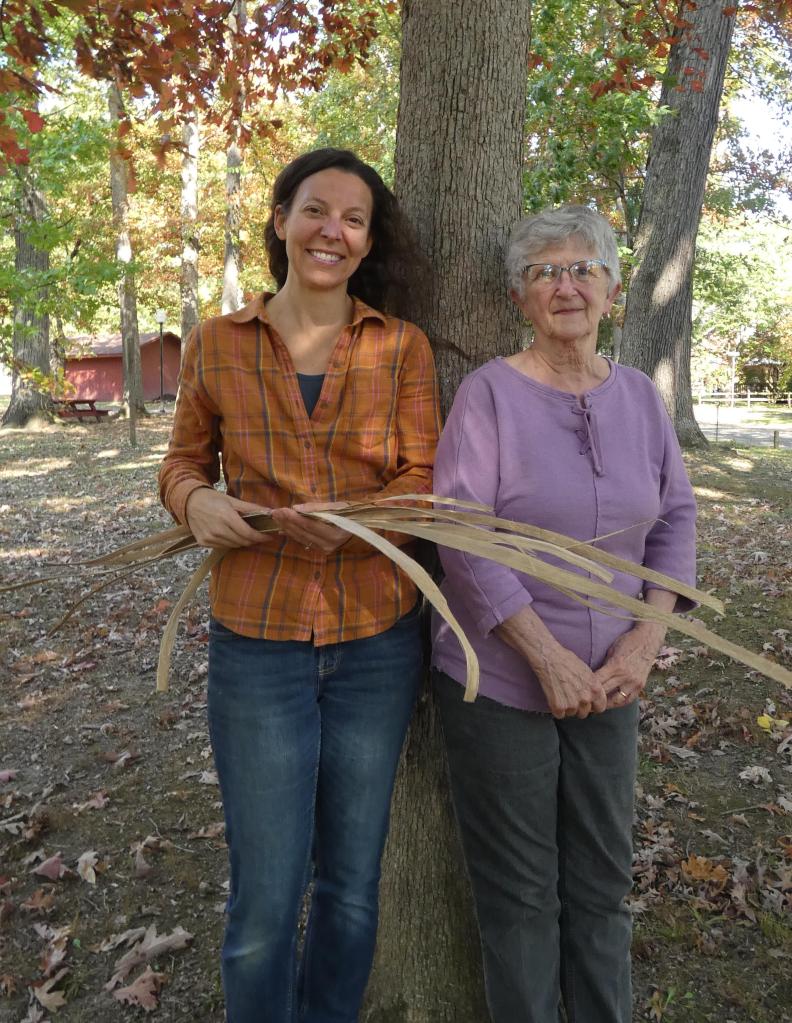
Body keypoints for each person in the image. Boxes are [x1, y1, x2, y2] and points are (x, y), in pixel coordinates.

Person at [159, 148, 440, 1023]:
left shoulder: (400, 346)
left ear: (366, 241)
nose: (334, 231)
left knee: (352, 887)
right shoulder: (216, 343)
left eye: (353, 219)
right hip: (258, 645)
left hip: (375, 643)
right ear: (281, 220)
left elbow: (424, 479)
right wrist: (195, 500)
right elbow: (179, 463)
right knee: (264, 902)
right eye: (317, 210)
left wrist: (362, 520)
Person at [431, 205, 697, 1023]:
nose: (566, 285)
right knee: (520, 894)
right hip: (503, 676)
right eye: (545, 271)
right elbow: (461, 533)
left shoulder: (642, 401)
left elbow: (676, 515)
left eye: (584, 268)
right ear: (520, 296)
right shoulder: (488, 396)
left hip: (615, 678)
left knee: (603, 884)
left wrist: (646, 642)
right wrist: (546, 656)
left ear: (613, 290)